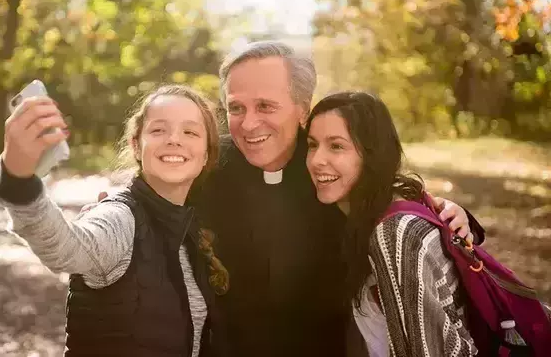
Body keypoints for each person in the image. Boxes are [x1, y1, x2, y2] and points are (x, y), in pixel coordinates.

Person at [81, 41, 478, 356]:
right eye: (236, 107)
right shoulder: (207, 164)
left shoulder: (332, 169)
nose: (249, 123)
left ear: (303, 110)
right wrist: (119, 200)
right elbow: (155, 183)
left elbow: (396, 205)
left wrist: (456, 215)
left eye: (266, 106)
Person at [0, 85, 227, 357]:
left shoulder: (191, 234)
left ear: (206, 154)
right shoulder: (119, 218)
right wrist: (19, 178)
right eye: (159, 130)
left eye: (190, 132)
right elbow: (66, 247)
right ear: (136, 146)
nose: (174, 139)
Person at [305, 91, 481, 356]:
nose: (317, 160)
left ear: (371, 154)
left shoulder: (395, 234)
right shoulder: (360, 213)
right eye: (311, 145)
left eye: (337, 146)